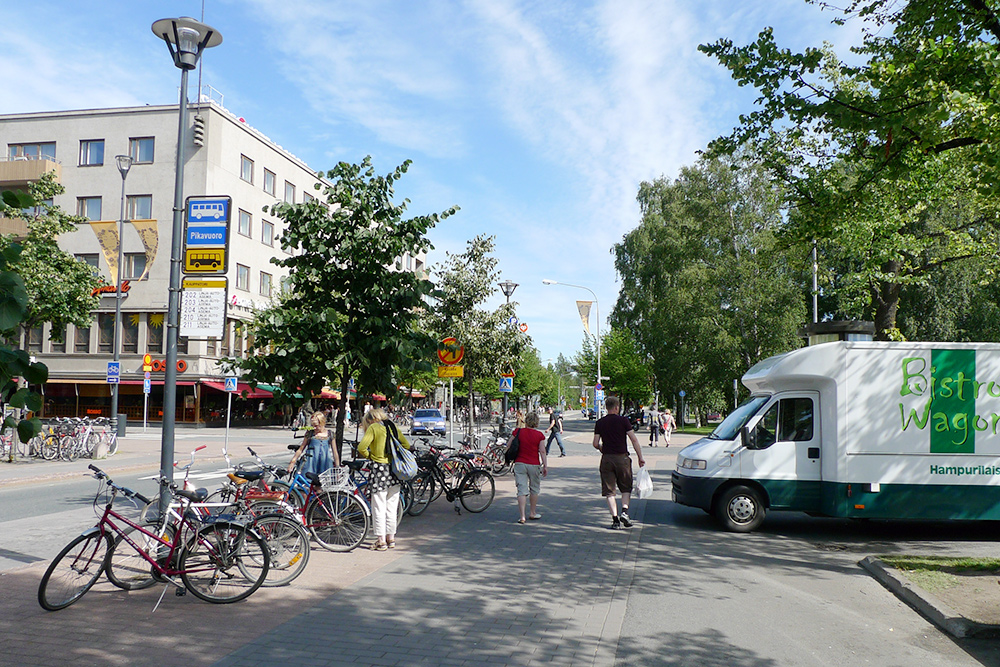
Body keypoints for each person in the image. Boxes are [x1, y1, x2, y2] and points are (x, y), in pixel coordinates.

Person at [357, 407, 412, 551]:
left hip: (379, 470)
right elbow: (406, 445)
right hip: (394, 470)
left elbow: (362, 448)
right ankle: (391, 538)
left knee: (378, 506)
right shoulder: (392, 426)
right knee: (392, 506)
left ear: (370, 420)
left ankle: (381, 540)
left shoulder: (374, 428)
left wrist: (372, 456)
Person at [592, 395, 645, 529]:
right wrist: (640, 457)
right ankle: (625, 512)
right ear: (617, 407)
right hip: (622, 458)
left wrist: (601, 448)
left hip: (607, 459)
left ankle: (615, 520)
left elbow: (595, 443)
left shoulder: (600, 422)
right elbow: (633, 440)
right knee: (626, 487)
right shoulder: (623, 421)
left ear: (606, 407)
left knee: (609, 491)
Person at [508, 412, 547, 523]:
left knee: (521, 490)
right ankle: (532, 513)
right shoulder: (539, 435)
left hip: (519, 463)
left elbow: (509, 445)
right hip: (534, 464)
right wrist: (545, 465)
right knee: (534, 489)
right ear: (536, 422)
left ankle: (522, 516)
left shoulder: (518, 432)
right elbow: (542, 451)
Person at [288, 411, 339, 476]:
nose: (314, 428)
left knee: (322, 483)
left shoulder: (330, 434)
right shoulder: (310, 434)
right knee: (307, 482)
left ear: (322, 423)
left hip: (325, 463)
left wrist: (337, 468)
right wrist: (293, 461)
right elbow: (301, 449)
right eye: (313, 426)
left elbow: (335, 452)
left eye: (317, 426)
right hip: (310, 463)